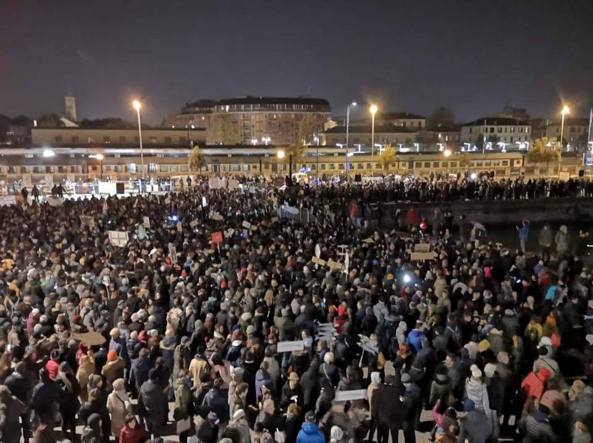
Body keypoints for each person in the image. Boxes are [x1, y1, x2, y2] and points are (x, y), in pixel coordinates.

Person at [139, 369, 168, 438]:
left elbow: (140, 402)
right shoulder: (158, 389)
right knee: (156, 434)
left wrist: (141, 418)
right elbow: (162, 404)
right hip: (156, 415)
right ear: (157, 378)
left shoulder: (143, 386)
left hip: (146, 414)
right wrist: (163, 416)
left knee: (148, 432)